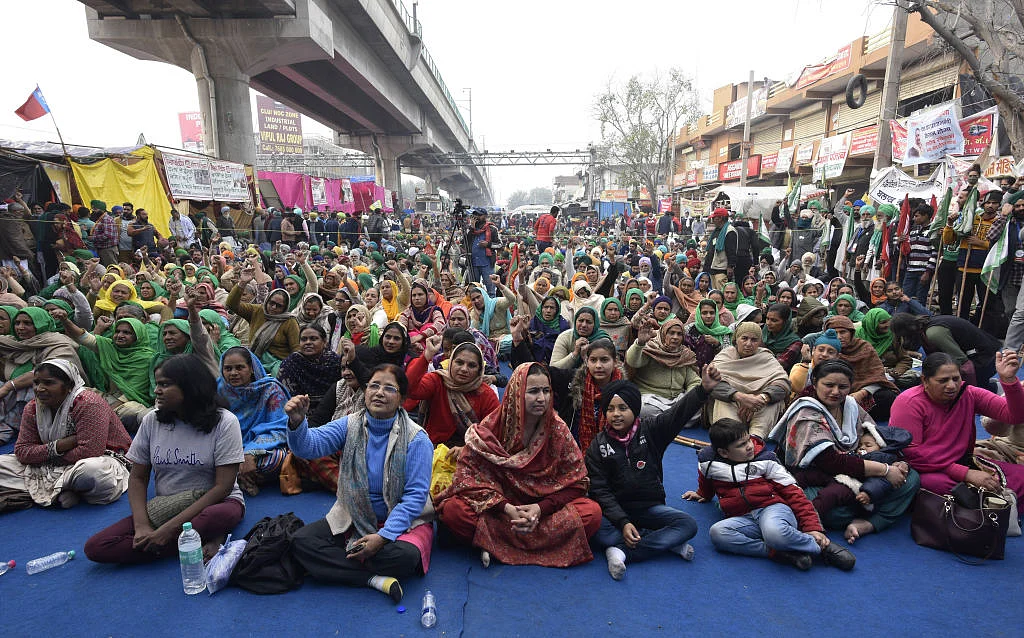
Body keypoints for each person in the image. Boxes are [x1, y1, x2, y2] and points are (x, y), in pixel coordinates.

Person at [285, 364, 434, 602]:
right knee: (301, 542)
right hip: (354, 513)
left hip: (402, 520)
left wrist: (383, 537)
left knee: (405, 557)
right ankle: (372, 579)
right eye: (374, 386)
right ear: (365, 392)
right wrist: (297, 422)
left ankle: (338, 564)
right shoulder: (350, 424)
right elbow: (309, 447)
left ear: (402, 399)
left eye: (389, 388)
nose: (379, 393)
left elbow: (415, 498)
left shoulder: (417, 439)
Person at [435, 363, 602, 568]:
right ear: (516, 393)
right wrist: (506, 508)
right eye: (533, 391)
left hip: (541, 512)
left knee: (592, 513)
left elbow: (577, 483)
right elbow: (466, 478)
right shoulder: (493, 426)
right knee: (454, 510)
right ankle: (535, 542)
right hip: (501, 511)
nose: (541, 398)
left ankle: (490, 541)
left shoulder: (557, 430)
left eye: (546, 391)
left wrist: (539, 509)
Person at [84, 354, 245, 563]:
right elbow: (138, 478)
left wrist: (169, 530)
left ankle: (186, 538)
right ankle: (198, 540)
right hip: (169, 505)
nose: (156, 390)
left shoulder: (225, 422)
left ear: (190, 386)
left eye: (165, 384)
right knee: (96, 547)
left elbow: (222, 487)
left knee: (219, 516)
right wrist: (142, 526)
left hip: (214, 503)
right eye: (157, 384)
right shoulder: (152, 420)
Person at [769, 360, 919, 544]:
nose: (835, 392)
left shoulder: (850, 406)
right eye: (829, 385)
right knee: (834, 511)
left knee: (911, 478)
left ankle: (869, 523)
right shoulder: (807, 412)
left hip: (857, 470)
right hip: (815, 476)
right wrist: (885, 470)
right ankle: (865, 506)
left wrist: (896, 463)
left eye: (842, 387)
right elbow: (831, 462)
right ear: (815, 383)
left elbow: (877, 436)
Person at [587, 374, 719, 580]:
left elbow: (678, 413)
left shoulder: (652, 430)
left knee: (687, 525)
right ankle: (665, 543)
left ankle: (620, 551)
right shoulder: (597, 445)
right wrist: (622, 522)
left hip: (649, 508)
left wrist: (703, 389)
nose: (616, 414)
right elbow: (599, 490)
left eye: (623, 408)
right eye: (610, 409)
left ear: (634, 409)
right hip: (614, 514)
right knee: (596, 530)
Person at [683, 417, 856, 571]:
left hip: (772, 509)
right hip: (743, 517)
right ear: (723, 452)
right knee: (718, 533)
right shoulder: (708, 462)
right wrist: (703, 494)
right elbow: (706, 479)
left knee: (774, 533)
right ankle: (780, 553)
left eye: (748, 440)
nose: (749, 446)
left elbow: (794, 493)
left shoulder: (767, 460)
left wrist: (812, 528)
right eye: (741, 445)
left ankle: (821, 547)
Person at [0, 360, 131, 512]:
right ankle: (68, 490)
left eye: (48, 383)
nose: (39, 389)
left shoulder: (88, 403)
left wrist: (45, 458)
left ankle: (54, 488)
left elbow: (90, 451)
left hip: (102, 458)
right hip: (49, 462)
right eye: (36, 383)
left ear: (69, 385)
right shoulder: (33, 407)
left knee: (93, 472)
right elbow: (22, 451)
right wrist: (60, 446)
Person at [890, 350, 1024, 498]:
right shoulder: (908, 403)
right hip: (925, 468)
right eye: (943, 380)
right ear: (925, 381)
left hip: (961, 462)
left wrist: (1009, 381)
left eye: (955, 378)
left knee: (1020, 477)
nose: (952, 386)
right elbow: (911, 454)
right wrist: (965, 473)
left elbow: (1014, 416)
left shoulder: (968, 393)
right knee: (951, 489)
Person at [0, 308, 85, 444]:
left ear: (40, 324)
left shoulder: (59, 344)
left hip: (51, 397)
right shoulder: (12, 344)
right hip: (13, 397)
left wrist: (9, 386)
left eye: (27, 323)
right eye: (17, 323)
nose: (20, 327)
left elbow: (50, 372)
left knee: (32, 389)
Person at [404, 336, 500, 450]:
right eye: (459, 362)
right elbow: (408, 389)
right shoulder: (438, 381)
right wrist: (426, 356)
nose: (464, 369)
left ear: (480, 370)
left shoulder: (486, 394)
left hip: (471, 451)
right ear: (450, 362)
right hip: (432, 448)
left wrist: (466, 450)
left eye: (472, 365)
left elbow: (493, 433)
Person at [217, 347, 290, 496]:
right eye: (228, 369)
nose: (233, 373)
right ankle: (242, 477)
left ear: (251, 368)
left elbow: (282, 427)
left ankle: (234, 478)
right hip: (227, 448)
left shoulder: (269, 389)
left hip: (261, 447)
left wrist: (251, 451)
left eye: (240, 367)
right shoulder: (218, 389)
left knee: (276, 459)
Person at [709, 322, 791, 439]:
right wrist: (741, 397)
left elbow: (783, 384)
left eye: (754, 340)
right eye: (744, 338)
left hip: (758, 405)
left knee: (774, 402)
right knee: (722, 400)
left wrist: (761, 398)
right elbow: (711, 382)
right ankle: (732, 437)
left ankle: (756, 438)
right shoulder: (725, 356)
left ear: (760, 342)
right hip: (733, 401)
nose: (748, 344)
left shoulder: (766, 358)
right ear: (736, 339)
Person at [891, 313, 1000, 388]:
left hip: (987, 359)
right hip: (983, 354)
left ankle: (990, 386)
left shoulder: (934, 333)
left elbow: (963, 362)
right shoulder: (924, 325)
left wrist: (968, 391)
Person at [823, 315, 899, 420]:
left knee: (887, 397)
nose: (839, 337)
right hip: (837, 393)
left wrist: (862, 393)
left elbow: (878, 376)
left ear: (851, 333)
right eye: (835, 333)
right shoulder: (825, 351)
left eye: (843, 332)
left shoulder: (864, 347)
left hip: (864, 393)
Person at [227, 267, 300, 375]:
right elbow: (231, 305)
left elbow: (296, 350)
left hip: (278, 366)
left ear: (285, 308)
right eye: (272, 303)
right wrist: (242, 283)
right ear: (267, 301)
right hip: (255, 361)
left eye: (279, 306)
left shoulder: (289, 321)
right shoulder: (257, 311)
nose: (274, 307)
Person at [625, 317, 700, 417]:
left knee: (698, 408)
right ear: (663, 333)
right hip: (651, 399)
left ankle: (668, 419)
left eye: (679, 334)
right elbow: (632, 362)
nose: (675, 337)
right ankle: (673, 419)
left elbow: (694, 381)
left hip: (677, 401)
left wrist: (689, 398)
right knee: (644, 409)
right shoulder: (651, 348)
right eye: (671, 333)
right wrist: (640, 343)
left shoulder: (685, 355)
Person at [278, 325, 343, 412]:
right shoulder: (291, 363)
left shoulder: (334, 362)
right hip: (299, 411)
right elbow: (284, 396)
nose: (308, 342)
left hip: (333, 410)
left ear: (324, 342)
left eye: (313, 339)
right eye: (304, 339)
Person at [398, 280, 445, 358]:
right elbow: (400, 327)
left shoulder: (434, 310)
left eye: (420, 294)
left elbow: (440, 323)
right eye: (414, 295)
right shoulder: (407, 312)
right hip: (412, 347)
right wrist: (414, 342)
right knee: (410, 334)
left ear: (427, 296)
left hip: (432, 347)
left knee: (428, 326)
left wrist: (421, 336)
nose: (417, 298)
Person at [684, 298, 731, 369]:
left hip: (718, 368)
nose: (708, 316)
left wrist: (717, 343)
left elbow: (728, 353)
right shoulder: (689, 329)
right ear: (699, 314)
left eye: (712, 313)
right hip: (692, 368)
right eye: (704, 313)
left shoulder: (723, 331)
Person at [703, 208, 736, 290]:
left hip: (721, 269)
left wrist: (730, 266)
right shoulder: (717, 230)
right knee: (714, 292)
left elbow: (731, 250)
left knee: (722, 292)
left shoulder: (729, 231)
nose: (713, 220)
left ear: (720, 218)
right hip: (713, 267)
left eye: (714, 218)